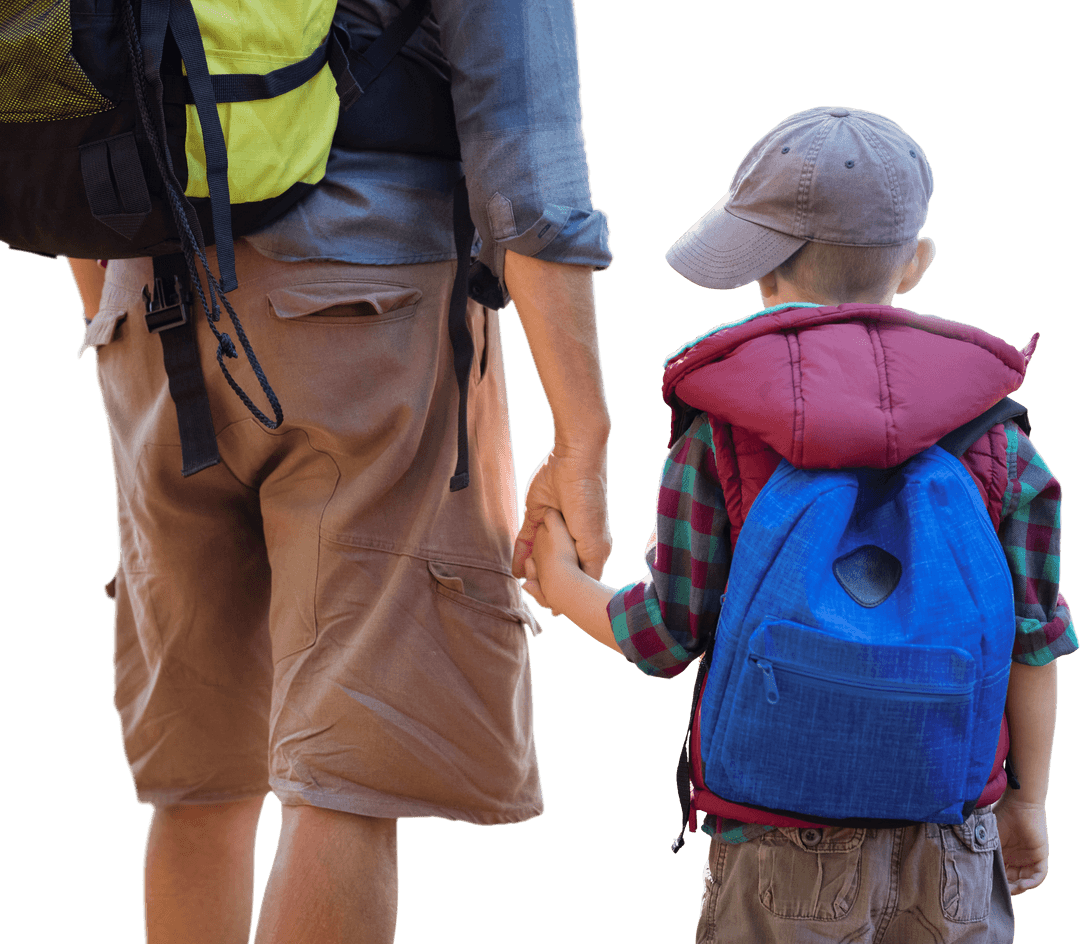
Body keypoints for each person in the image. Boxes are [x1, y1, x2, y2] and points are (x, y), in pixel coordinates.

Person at [66, 2, 612, 942]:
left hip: (145, 309)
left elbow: (71, 102)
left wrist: (121, 317)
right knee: (347, 781)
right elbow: (529, 166)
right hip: (365, 314)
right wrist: (583, 435)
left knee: (199, 783)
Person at [522, 105, 1075, 942]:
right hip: (954, 837)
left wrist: (560, 583)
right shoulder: (998, 442)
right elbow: (1034, 642)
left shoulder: (724, 433)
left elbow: (664, 635)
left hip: (778, 845)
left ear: (762, 276)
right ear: (917, 264)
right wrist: (1028, 804)